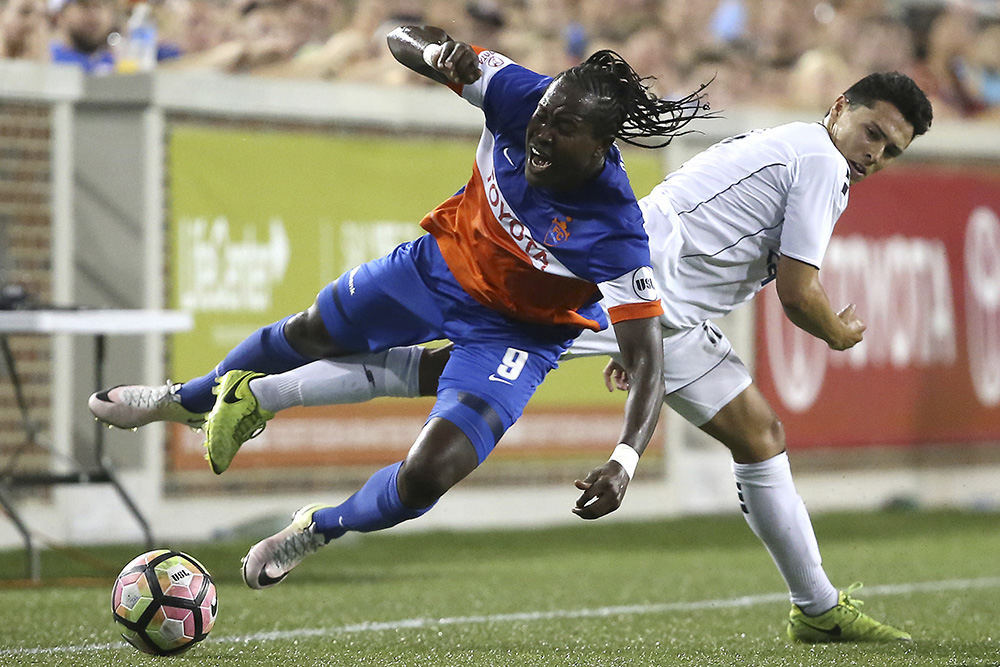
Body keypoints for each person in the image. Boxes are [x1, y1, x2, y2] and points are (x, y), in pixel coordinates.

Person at [114, 71, 930, 643]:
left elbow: (721, 246)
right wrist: (839, 333)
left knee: (759, 436)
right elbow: (797, 290)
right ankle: (257, 399)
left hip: (669, 311)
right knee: (440, 367)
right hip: (620, 287)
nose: (873, 153)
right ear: (840, 108)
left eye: (890, 149)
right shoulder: (820, 161)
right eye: (872, 132)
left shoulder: (804, 146)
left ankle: (816, 607)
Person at [90, 25, 711, 589]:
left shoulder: (619, 232)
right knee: (309, 331)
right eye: (543, 117)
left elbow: (647, 361)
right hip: (437, 268)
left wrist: (624, 461)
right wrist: (432, 53)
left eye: (564, 129)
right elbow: (398, 35)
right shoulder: (517, 94)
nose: (541, 134)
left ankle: (320, 525)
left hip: (516, 336)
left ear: (603, 144)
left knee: (427, 475)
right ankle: (184, 401)